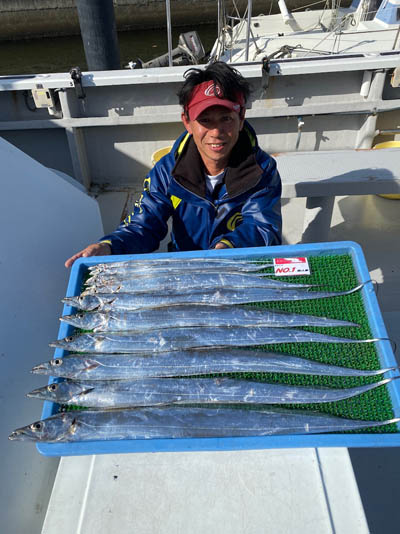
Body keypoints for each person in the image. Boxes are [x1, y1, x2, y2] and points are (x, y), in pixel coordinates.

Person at [65, 61, 282, 268]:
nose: (216, 133)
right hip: (183, 267)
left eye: (226, 119)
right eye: (205, 120)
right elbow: (144, 225)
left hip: (239, 266)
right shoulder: (166, 172)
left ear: (241, 117)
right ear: (187, 122)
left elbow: (263, 227)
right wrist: (108, 246)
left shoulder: (262, 170)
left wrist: (228, 247)